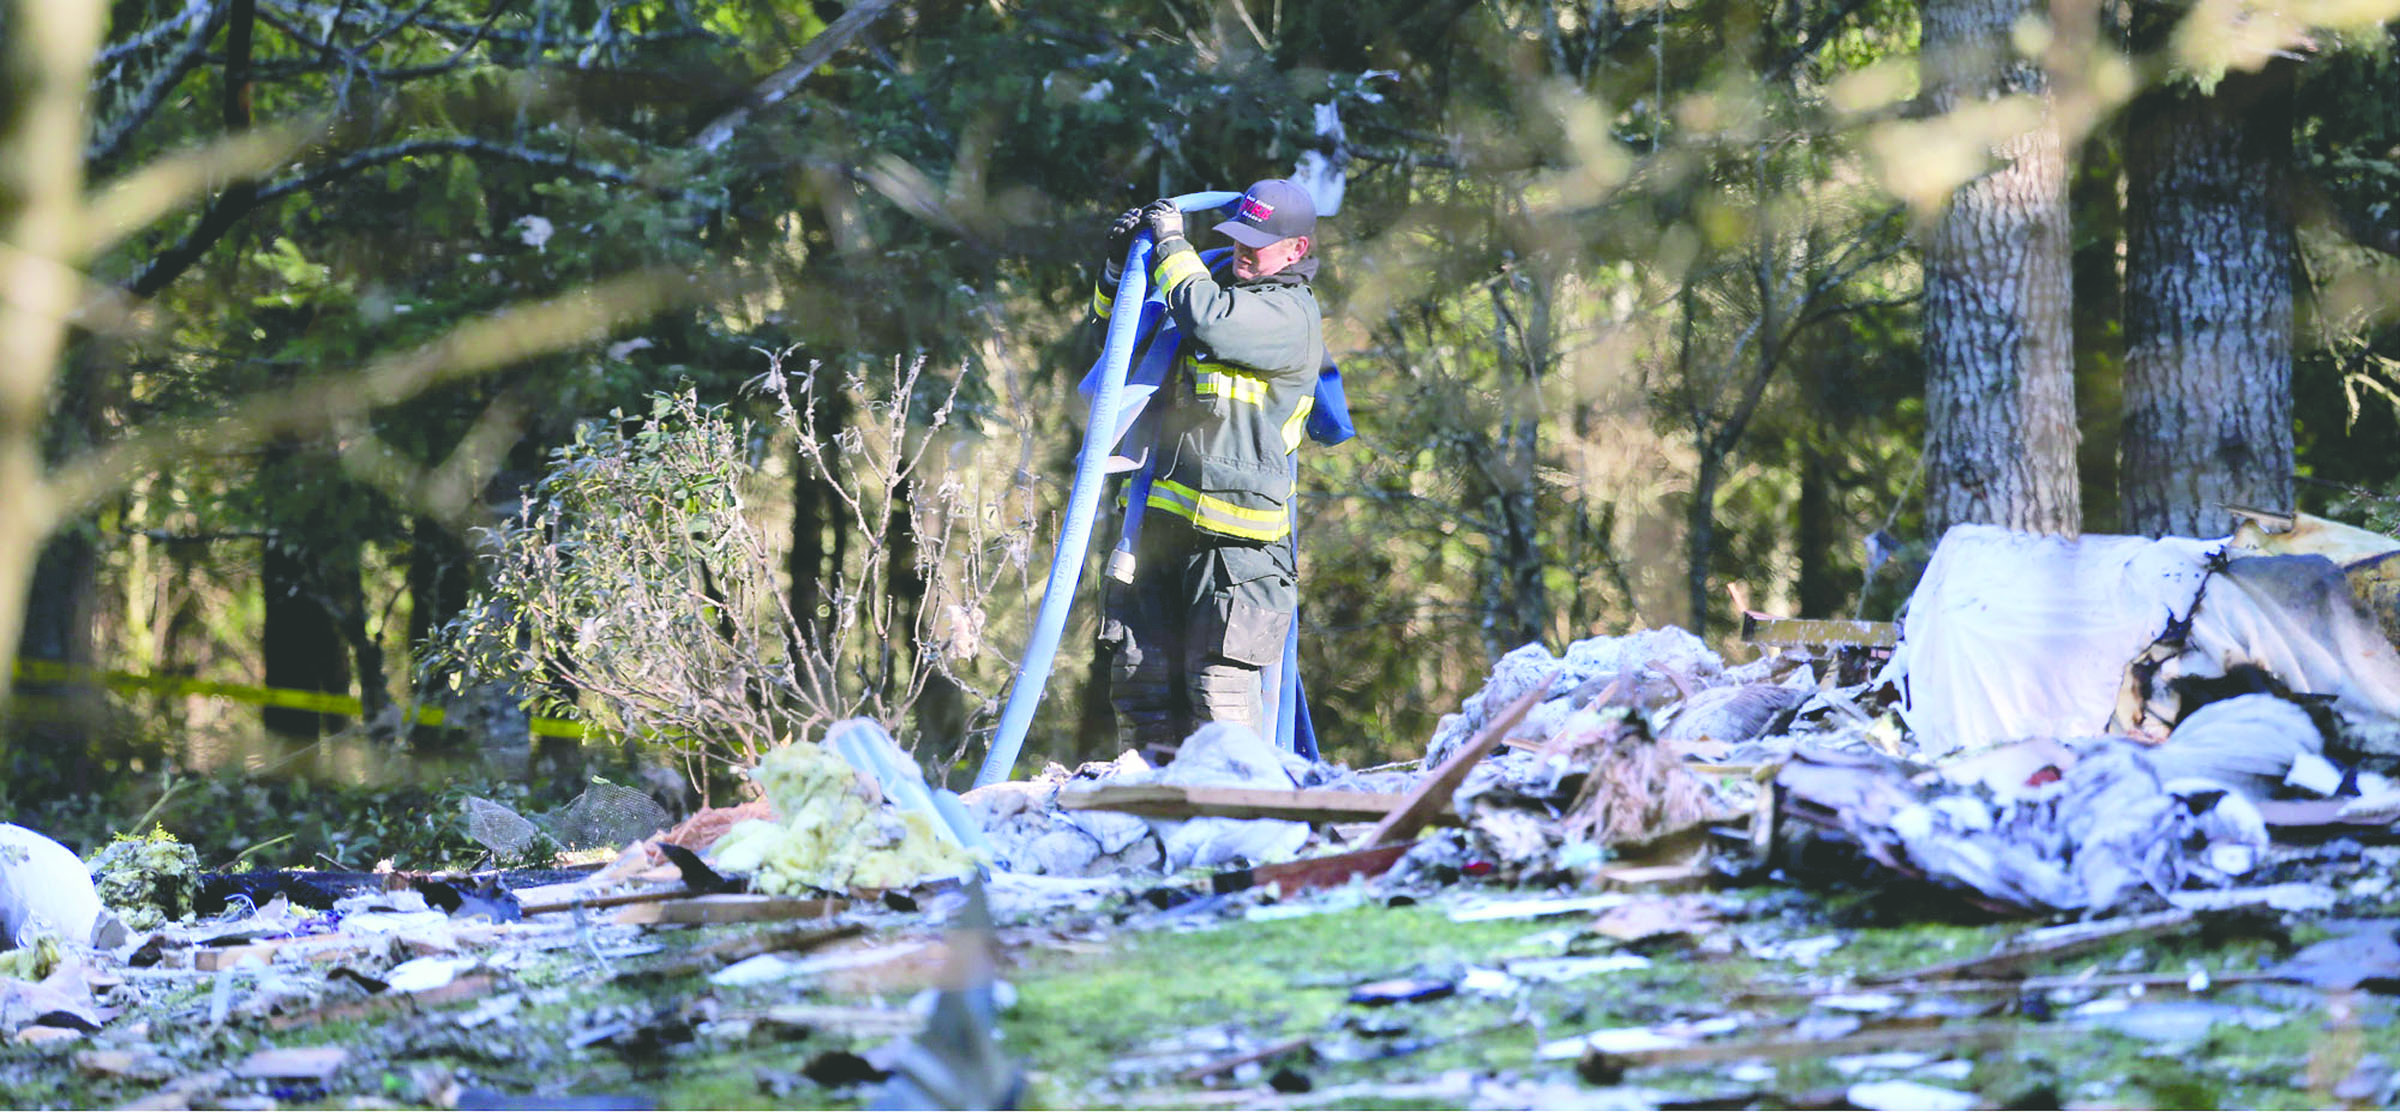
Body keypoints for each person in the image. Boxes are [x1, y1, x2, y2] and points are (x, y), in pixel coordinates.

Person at [1091, 179, 1327, 759]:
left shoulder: (1287, 315)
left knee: (1218, 705)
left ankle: (1237, 835)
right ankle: (1151, 824)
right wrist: (1116, 271)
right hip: (1159, 532)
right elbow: (1120, 338)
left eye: (1260, 243)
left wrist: (1171, 244)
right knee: (1144, 693)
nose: (1245, 251)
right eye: (1239, 238)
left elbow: (1208, 319)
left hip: (1238, 553)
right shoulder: (1216, 286)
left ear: (1296, 250)